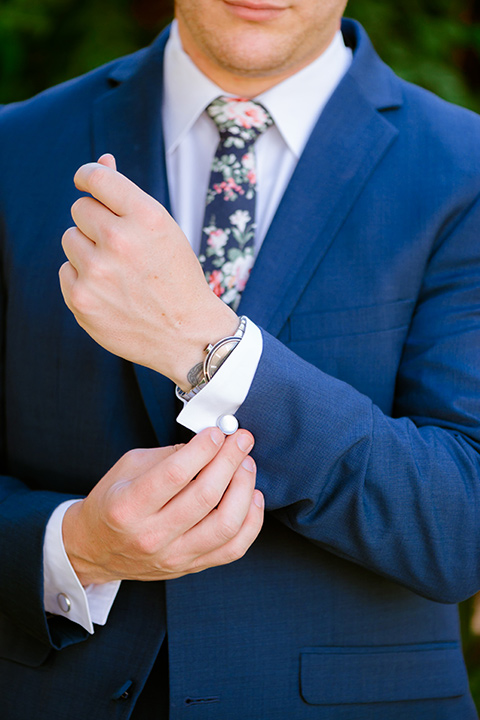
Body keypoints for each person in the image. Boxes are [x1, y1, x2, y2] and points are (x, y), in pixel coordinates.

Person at [1, 0, 480, 718]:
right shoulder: (16, 149)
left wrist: (205, 346)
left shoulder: (465, 167)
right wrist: (76, 548)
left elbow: (463, 522)